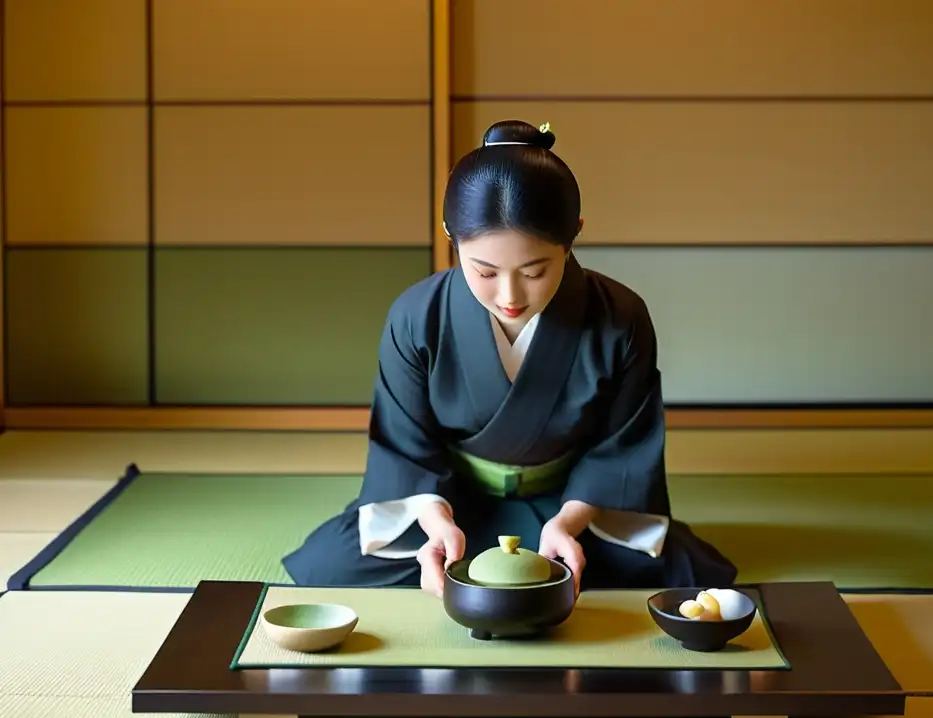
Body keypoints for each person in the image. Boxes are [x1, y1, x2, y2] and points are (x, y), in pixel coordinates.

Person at [282, 119, 738, 597]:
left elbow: (622, 449)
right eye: (484, 270)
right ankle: (459, 545)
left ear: (574, 235)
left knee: (676, 573)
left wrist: (569, 520)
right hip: (451, 500)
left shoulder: (620, 317)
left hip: (571, 505)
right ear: (450, 236)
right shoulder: (418, 315)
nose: (510, 295)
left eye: (536, 270)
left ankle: (549, 543)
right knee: (334, 564)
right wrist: (435, 521)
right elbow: (404, 444)